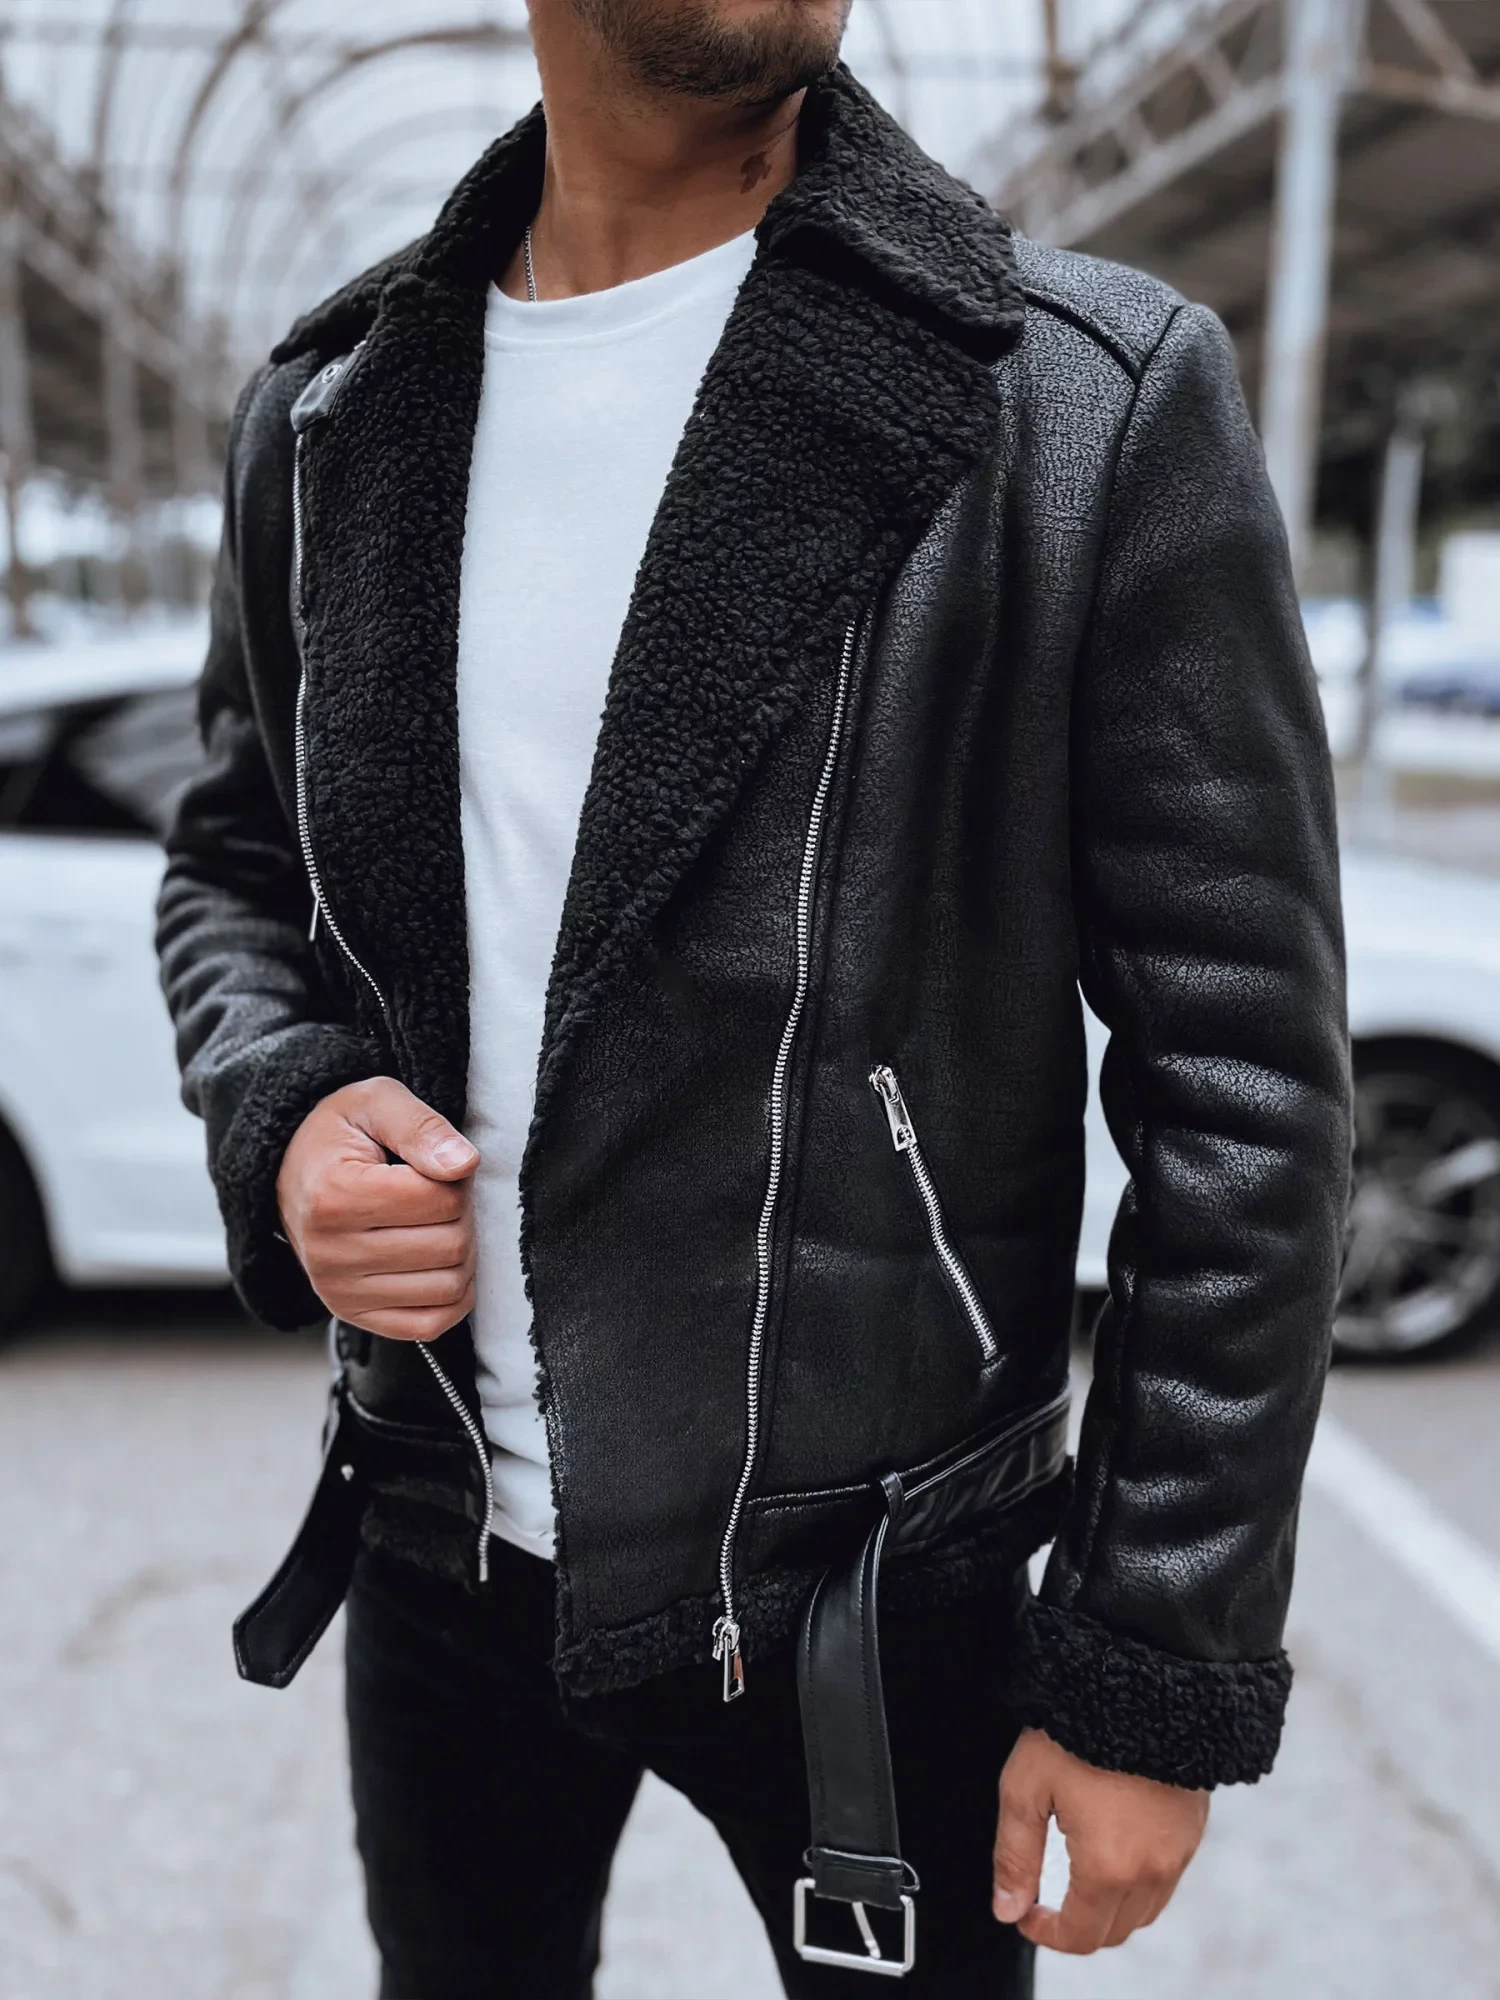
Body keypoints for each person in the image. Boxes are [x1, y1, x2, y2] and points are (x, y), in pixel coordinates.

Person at [156, 0, 1351, 1992]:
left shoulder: (1077, 396)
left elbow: (1244, 1081)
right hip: (436, 1529)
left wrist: (1153, 1654)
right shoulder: (331, 404)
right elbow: (234, 869)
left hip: (880, 1588)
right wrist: (285, 1107)